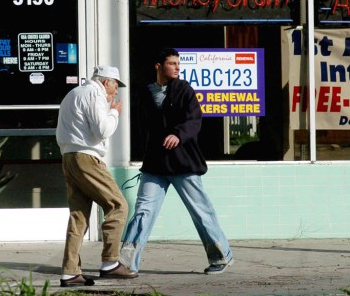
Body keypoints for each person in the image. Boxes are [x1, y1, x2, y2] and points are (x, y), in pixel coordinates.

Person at [120, 48, 233, 275]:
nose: (177, 67)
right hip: (155, 165)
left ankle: (221, 256)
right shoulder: (145, 92)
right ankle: (125, 264)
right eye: (172, 63)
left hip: (183, 163)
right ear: (158, 66)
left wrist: (178, 134)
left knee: (200, 211)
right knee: (143, 211)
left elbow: (194, 120)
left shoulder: (184, 90)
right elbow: (141, 125)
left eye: (178, 63)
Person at [55, 65, 138, 286]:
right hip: (86, 157)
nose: (116, 91)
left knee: (79, 216)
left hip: (69, 156)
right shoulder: (95, 93)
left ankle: (70, 272)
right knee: (118, 205)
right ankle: (110, 262)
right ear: (104, 82)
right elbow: (102, 130)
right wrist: (114, 113)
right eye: (115, 85)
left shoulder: (73, 93)